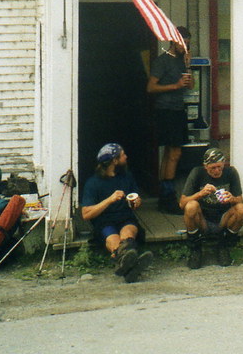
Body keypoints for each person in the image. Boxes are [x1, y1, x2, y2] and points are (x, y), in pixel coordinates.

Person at [80, 143, 154, 282]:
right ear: (114, 161)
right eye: (122, 155)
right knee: (114, 241)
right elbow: (86, 214)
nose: (126, 157)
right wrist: (110, 200)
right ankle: (133, 267)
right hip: (104, 221)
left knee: (128, 234)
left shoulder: (127, 176)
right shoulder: (93, 183)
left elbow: (135, 196)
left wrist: (137, 202)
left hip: (125, 217)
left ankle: (126, 265)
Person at [147, 25, 194, 214]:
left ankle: (164, 195)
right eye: (183, 43)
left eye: (187, 44)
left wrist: (189, 67)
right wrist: (174, 86)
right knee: (174, 153)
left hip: (178, 109)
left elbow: (190, 86)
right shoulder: (162, 61)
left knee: (170, 153)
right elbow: (150, 88)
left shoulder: (183, 61)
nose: (185, 47)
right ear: (174, 41)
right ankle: (168, 196)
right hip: (166, 110)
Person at [180, 148, 243, 268]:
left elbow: (240, 200)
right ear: (205, 166)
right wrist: (200, 194)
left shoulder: (231, 172)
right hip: (203, 219)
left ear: (223, 164)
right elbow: (182, 203)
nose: (217, 171)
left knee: (242, 209)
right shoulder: (197, 172)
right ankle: (195, 249)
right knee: (191, 206)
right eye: (213, 168)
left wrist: (232, 199)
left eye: (219, 167)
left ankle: (224, 246)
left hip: (223, 218)